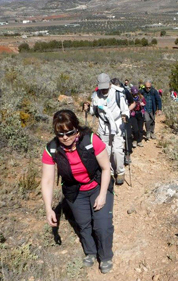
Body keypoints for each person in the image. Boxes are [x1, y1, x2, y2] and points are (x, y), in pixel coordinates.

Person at [41, 110, 114, 274]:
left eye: (69, 132)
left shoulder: (90, 140)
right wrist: (48, 209)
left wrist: (102, 195)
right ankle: (90, 252)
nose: (65, 137)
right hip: (74, 190)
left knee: (102, 224)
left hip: (97, 184)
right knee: (83, 224)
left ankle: (105, 256)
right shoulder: (51, 149)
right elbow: (47, 180)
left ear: (77, 129)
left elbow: (105, 168)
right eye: (60, 134)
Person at [90, 73, 130, 185]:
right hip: (104, 127)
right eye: (101, 88)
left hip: (117, 125)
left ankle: (120, 172)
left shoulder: (118, 94)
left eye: (105, 87)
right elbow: (93, 111)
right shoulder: (95, 95)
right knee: (106, 152)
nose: (104, 90)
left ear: (110, 85)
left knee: (117, 150)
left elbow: (125, 109)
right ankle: (110, 172)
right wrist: (88, 107)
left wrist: (124, 116)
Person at [110, 78, 136, 165]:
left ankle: (127, 154)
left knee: (127, 135)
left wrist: (126, 111)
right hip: (113, 119)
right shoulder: (108, 92)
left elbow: (133, 103)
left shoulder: (124, 91)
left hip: (124, 118)